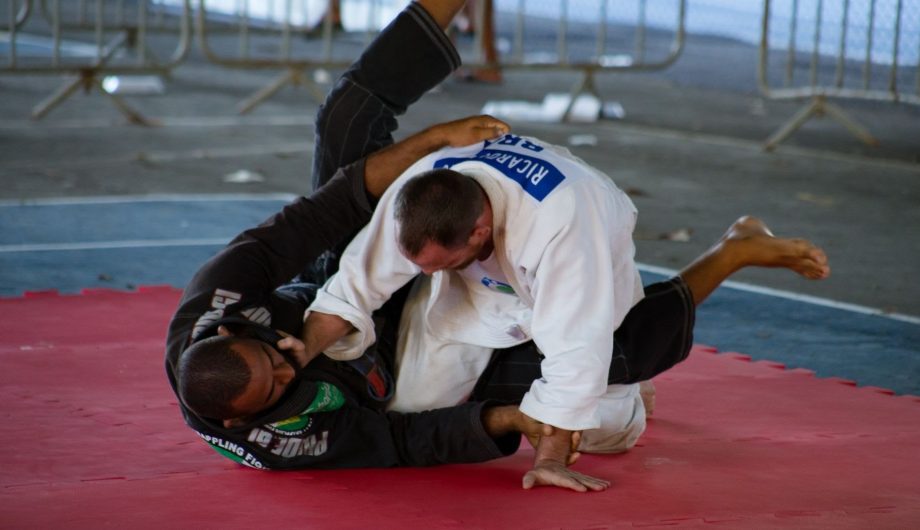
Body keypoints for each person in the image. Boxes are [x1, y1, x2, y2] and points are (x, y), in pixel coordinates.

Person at [302, 128, 831, 488]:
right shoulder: (420, 192)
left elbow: (573, 346)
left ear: (481, 230)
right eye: (423, 266)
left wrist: (550, 456)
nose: (430, 273)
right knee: (414, 417)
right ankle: (616, 376)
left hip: (580, 236)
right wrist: (297, 354)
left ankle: (731, 249)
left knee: (609, 426)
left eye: (444, 262)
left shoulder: (565, 225)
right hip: (484, 283)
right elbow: (354, 285)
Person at [165, 0, 550, 471]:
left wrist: (435, 139)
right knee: (580, 359)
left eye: (272, 357)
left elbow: (320, 213)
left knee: (342, 120)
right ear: (238, 421)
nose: (290, 366)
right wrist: (510, 419)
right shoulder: (282, 442)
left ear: (231, 332)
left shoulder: (218, 297)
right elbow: (402, 439)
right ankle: (667, 311)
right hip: (401, 363)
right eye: (276, 385)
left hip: (338, 283)